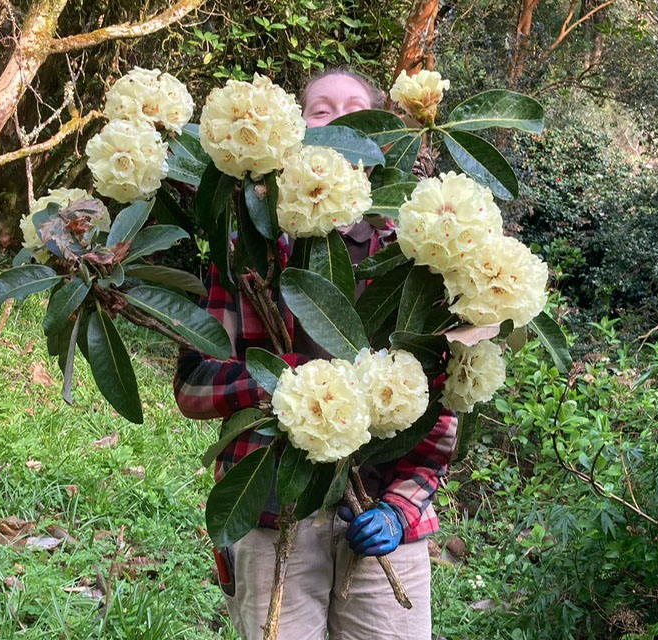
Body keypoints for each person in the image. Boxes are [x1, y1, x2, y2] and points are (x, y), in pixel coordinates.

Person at [173, 68, 457, 640]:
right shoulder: (246, 249)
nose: (339, 120)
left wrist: (399, 510)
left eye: (357, 109)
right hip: (272, 509)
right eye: (320, 110)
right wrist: (282, 383)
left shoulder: (417, 256)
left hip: (379, 514)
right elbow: (193, 385)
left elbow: (441, 403)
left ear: (380, 136)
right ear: (294, 131)